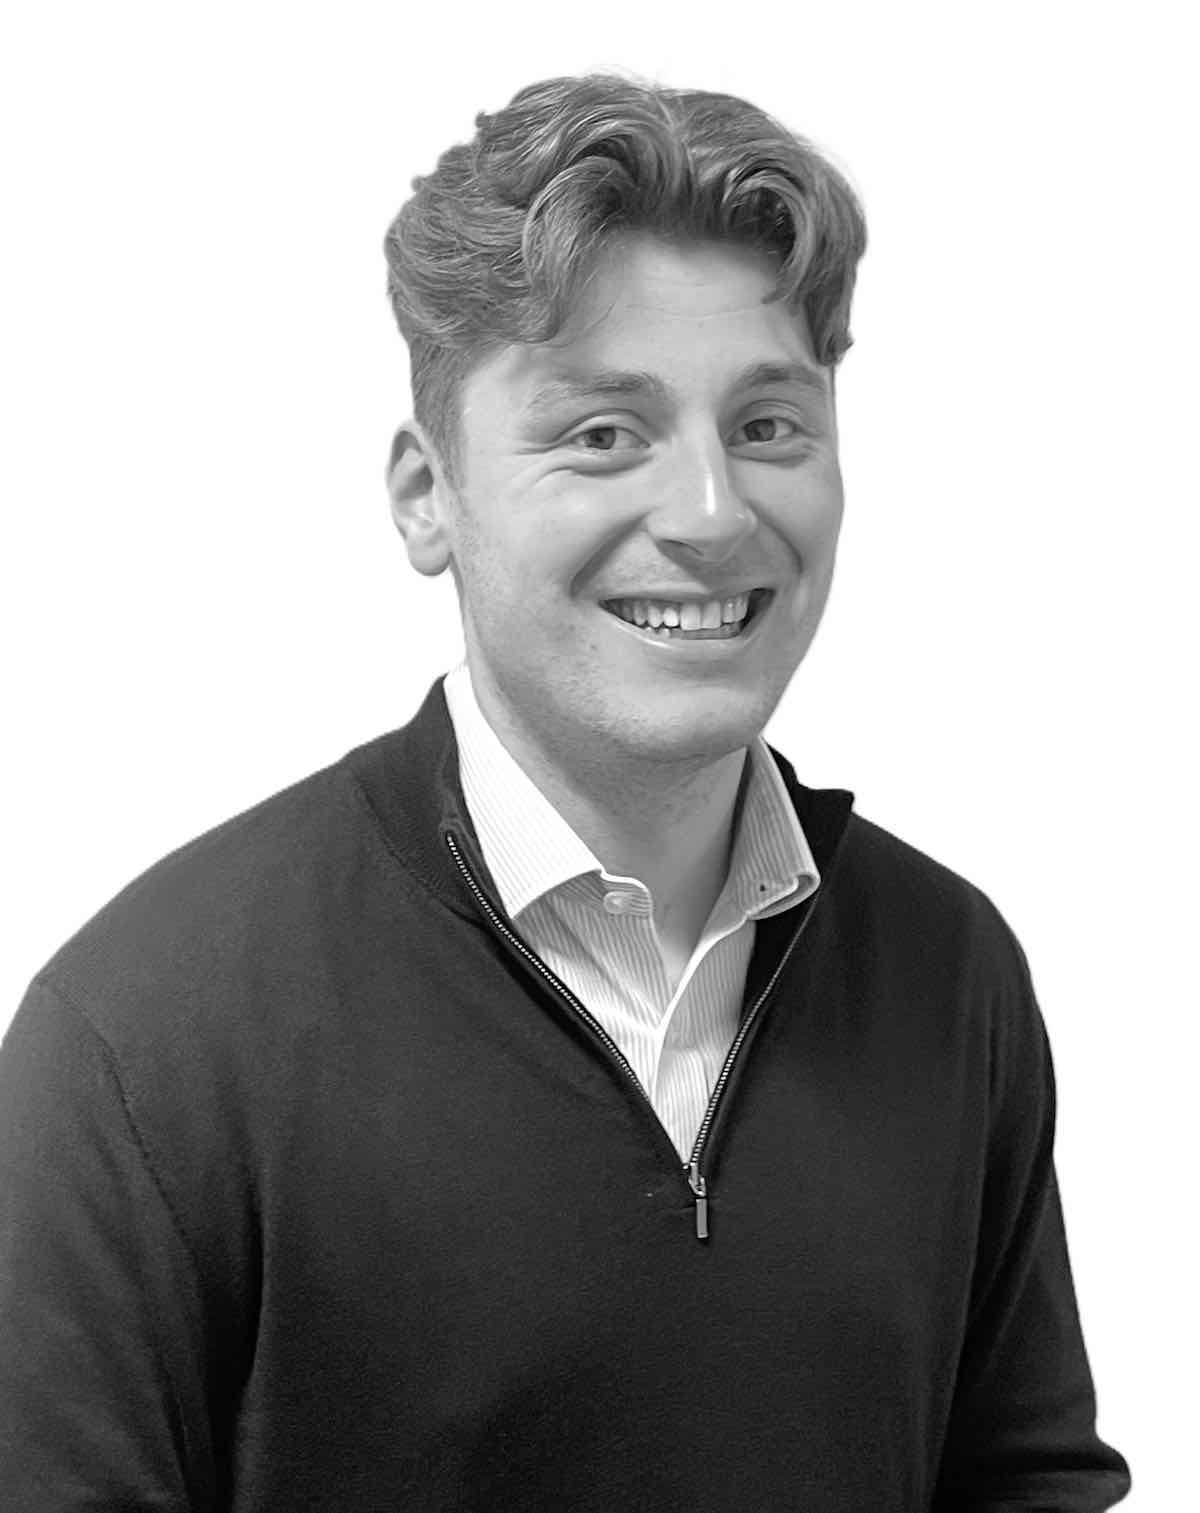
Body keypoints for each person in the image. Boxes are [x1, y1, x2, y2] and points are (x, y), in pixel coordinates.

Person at [0, 72, 1131, 1512]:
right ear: (428, 495)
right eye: (604, 432)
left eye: (769, 426)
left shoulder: (947, 970)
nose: (712, 513)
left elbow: (1024, 1483)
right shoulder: (148, 1039)